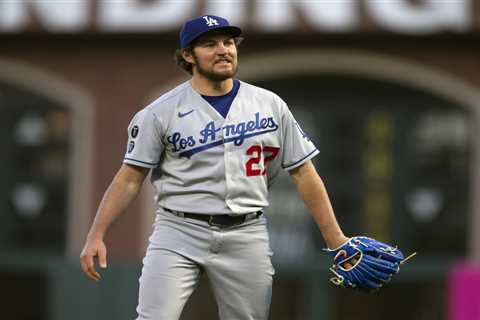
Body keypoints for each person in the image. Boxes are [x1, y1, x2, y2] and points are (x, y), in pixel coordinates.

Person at [80, 15, 349, 320]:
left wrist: (335, 239)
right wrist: (96, 234)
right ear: (187, 55)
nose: (223, 49)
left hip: (246, 231)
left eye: (228, 42)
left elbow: (304, 173)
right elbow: (129, 178)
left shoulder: (269, 104)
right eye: (209, 44)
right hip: (178, 229)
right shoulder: (159, 112)